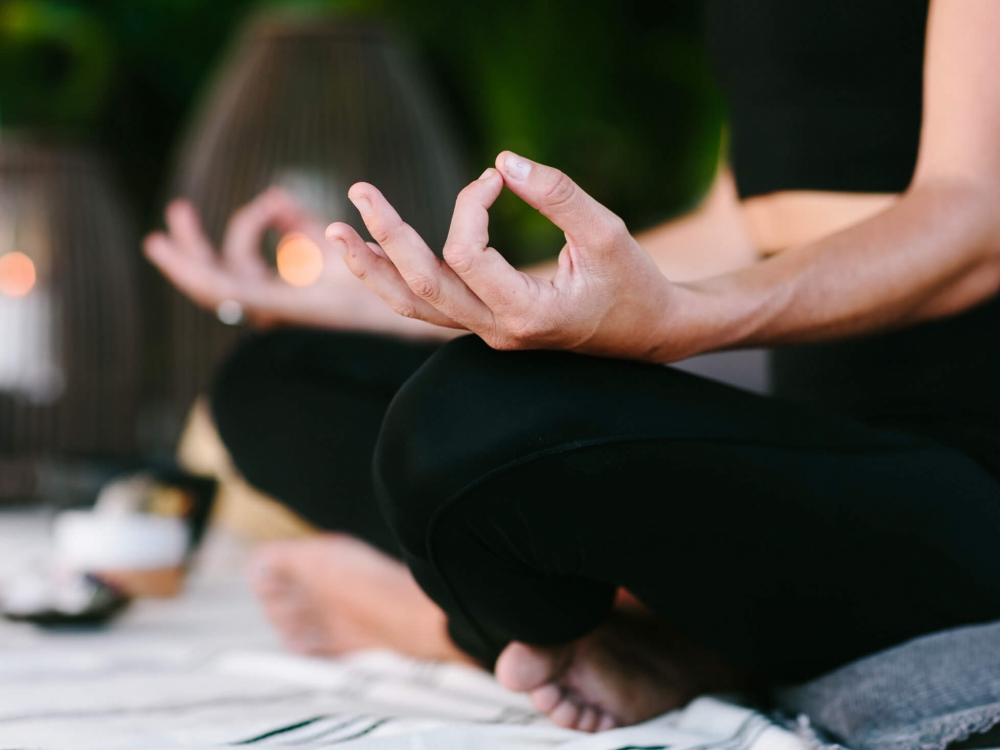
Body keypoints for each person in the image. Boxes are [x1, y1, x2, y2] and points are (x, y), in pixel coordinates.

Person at [147, 0, 1000, 734]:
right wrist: (433, 301)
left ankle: (454, 625)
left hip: (969, 478)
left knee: (465, 418)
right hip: (819, 450)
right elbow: (741, 222)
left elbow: (975, 223)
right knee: (280, 376)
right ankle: (652, 635)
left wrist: (683, 320)